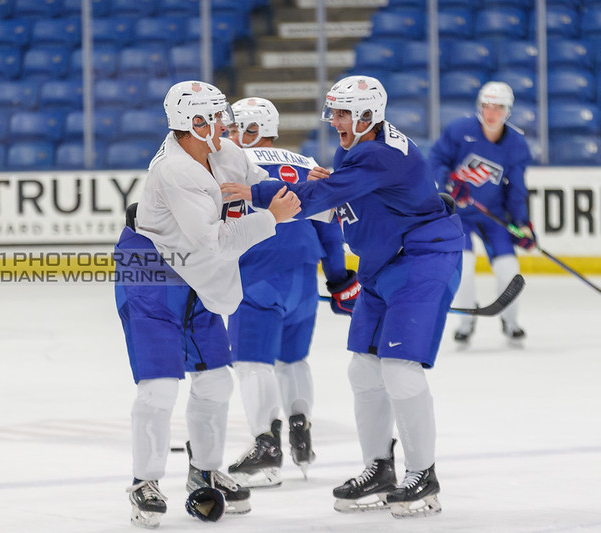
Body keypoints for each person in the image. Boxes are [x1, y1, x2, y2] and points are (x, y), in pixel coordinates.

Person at [221, 76, 465, 519]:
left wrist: (255, 193)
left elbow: (324, 196)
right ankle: (380, 469)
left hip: (421, 260)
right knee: (363, 369)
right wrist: (341, 272)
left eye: (341, 113)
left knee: (399, 368)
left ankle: (423, 474)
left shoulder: (378, 152)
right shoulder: (354, 150)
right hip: (385, 264)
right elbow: (346, 203)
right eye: (333, 112)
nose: (334, 121)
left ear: (368, 114)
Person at [113, 80, 301, 529]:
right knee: (159, 387)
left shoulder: (223, 152)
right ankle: (145, 481)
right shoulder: (176, 170)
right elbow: (213, 243)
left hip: (194, 274)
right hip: (154, 274)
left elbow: (265, 184)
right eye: (215, 118)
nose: (226, 124)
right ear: (192, 124)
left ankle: (204, 469)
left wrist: (327, 191)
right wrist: (272, 219)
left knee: (216, 381)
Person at [223, 97, 358, 488]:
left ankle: (266, 445)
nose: (228, 135)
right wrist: (339, 281)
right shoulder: (307, 166)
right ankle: (301, 427)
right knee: (293, 361)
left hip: (257, 275)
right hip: (303, 276)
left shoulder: (230, 166)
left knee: (252, 364)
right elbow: (330, 229)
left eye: (234, 128)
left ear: (251, 130)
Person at [426, 81, 535, 347]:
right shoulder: (460, 130)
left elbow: (517, 188)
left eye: (498, 107)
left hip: (492, 214)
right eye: (486, 105)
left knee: (509, 268)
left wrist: (522, 224)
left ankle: (510, 322)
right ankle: (466, 321)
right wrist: (449, 183)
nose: (491, 112)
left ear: (508, 112)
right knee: (463, 264)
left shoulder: (517, 145)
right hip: (458, 214)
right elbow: (436, 160)